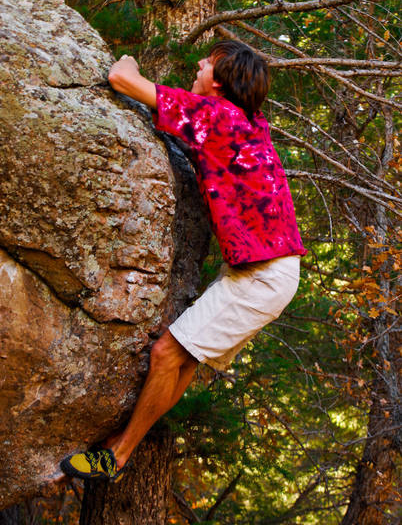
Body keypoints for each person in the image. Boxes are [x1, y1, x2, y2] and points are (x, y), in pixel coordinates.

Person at [61, 40, 307, 482]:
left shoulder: (218, 115)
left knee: (166, 353)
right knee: (187, 360)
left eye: (206, 63)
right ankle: (121, 444)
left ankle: (116, 459)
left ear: (219, 80)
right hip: (264, 272)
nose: (197, 65)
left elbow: (121, 78)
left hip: (262, 277)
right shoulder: (247, 122)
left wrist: (127, 58)